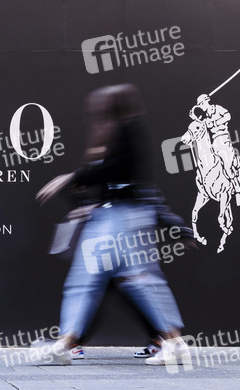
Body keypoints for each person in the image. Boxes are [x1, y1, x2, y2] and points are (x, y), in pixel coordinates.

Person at [32, 84, 191, 366]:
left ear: (112, 108)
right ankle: (65, 344)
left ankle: (174, 342)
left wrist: (72, 177)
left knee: (137, 279)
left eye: (99, 107)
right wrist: (87, 198)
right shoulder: (111, 134)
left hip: (126, 217)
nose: (93, 113)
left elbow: (120, 170)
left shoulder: (128, 130)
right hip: (111, 216)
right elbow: (111, 177)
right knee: (90, 281)